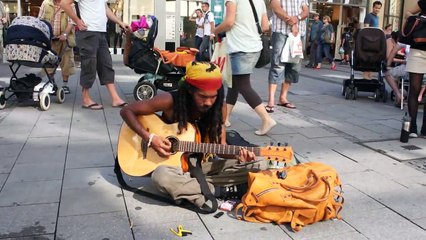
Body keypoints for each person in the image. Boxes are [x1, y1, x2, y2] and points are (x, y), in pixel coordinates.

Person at [120, 61, 267, 211]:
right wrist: (150, 138)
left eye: (213, 97)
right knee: (161, 177)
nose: (208, 102)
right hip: (172, 167)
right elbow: (127, 111)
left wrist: (237, 155)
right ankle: (219, 190)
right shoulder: (169, 100)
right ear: (190, 90)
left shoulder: (219, 109)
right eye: (202, 97)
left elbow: (221, 148)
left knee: (260, 164)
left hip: (202, 165)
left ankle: (196, 189)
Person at [213, 0, 276, 136]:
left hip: (240, 47)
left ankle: (266, 119)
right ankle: (226, 118)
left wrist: (214, 30)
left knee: (243, 85)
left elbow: (229, 22)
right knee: (235, 83)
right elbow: (265, 26)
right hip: (254, 46)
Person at [60, 0, 128, 109]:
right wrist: (77, 21)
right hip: (87, 32)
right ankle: (86, 99)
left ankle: (115, 98)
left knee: (106, 64)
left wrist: (120, 22)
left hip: (100, 32)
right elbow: (64, 3)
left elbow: (105, 9)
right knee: (89, 65)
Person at [267, 0, 309, 111]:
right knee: (277, 64)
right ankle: (271, 99)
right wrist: (293, 23)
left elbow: (306, 11)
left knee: (293, 66)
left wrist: (298, 18)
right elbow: (276, 8)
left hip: (297, 34)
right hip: (281, 31)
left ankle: (283, 97)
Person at [38, 0, 76, 94]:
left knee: (66, 61)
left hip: (65, 39)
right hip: (50, 39)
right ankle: (52, 83)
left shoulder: (70, 3)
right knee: (49, 61)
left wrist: (65, 34)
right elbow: (40, 20)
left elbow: (72, 21)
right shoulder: (46, 3)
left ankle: (65, 85)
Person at [404, 0, 426, 137]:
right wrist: (419, 19)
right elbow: (408, 14)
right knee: (414, 88)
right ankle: (412, 126)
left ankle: (425, 129)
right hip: (417, 51)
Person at [385, 31, 407, 106]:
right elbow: (388, 56)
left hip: (406, 65)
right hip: (402, 63)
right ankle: (399, 94)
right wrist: (403, 61)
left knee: (390, 74)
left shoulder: (404, 42)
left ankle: (398, 94)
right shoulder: (390, 41)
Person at [363, 1, 382, 80]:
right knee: (368, 59)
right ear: (373, 7)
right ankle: (365, 77)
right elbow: (366, 28)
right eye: (376, 8)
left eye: (379, 8)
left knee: (372, 60)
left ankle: (369, 77)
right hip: (368, 41)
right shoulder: (369, 16)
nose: (377, 9)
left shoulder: (377, 17)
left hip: (375, 41)